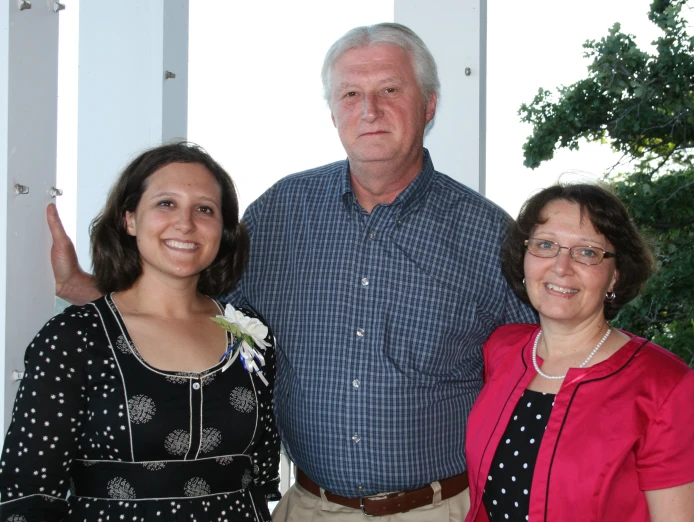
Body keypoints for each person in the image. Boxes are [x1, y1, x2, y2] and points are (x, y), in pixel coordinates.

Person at [46, 23, 538, 521]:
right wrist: (89, 292)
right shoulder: (281, 212)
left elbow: (549, 365)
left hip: (440, 508)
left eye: (390, 89)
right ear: (332, 113)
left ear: (429, 105)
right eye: (350, 94)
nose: (369, 110)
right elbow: (185, 304)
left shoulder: (489, 235)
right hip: (307, 507)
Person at [1, 142, 280, 521]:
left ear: (224, 230)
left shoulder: (250, 337)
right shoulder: (74, 339)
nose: (185, 223)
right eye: (166, 203)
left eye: (205, 209)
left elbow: (261, 477)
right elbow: (27, 496)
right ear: (129, 219)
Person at [465, 183, 694, 522]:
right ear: (523, 258)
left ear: (615, 275)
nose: (561, 266)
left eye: (587, 252)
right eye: (546, 245)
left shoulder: (665, 385)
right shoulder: (503, 349)